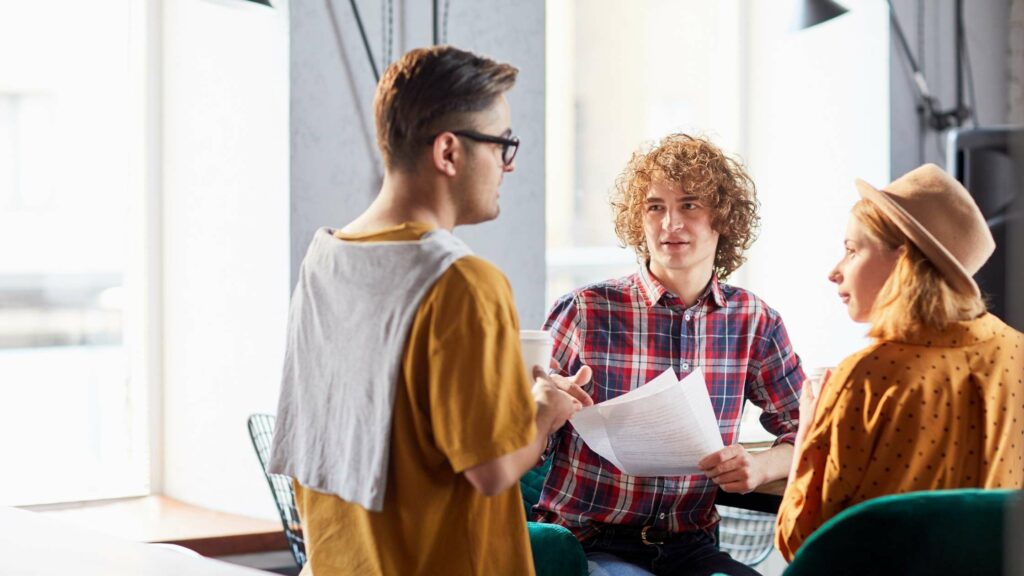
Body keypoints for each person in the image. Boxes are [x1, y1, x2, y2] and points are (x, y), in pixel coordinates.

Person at [267, 46, 592, 576]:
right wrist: (545, 411)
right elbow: (490, 470)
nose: (510, 164)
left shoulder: (324, 259)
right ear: (448, 152)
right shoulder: (463, 282)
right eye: (502, 144)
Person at [535, 133, 804, 576]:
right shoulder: (584, 310)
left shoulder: (754, 320)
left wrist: (759, 466)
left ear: (723, 218)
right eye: (655, 207)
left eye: (689, 206)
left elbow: (809, 432)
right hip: (590, 542)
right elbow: (519, 440)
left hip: (690, 546)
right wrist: (544, 411)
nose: (669, 224)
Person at [775, 163, 1024, 561]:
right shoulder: (1016, 352)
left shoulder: (869, 377)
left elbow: (804, 547)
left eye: (852, 250)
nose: (834, 272)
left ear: (903, 260)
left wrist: (809, 421)